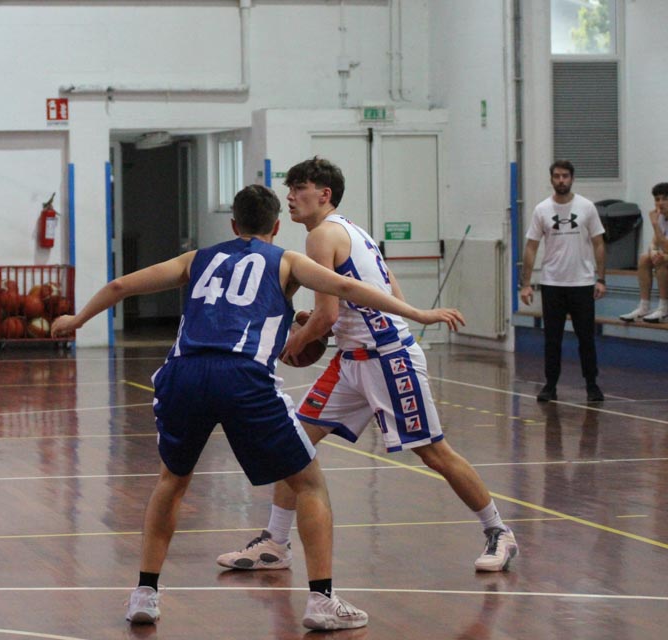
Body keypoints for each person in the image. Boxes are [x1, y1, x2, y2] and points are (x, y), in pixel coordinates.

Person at [51, 184, 464, 631]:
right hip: (242, 377)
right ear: (276, 226)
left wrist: (77, 319)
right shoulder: (286, 261)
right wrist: (418, 314)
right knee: (309, 484)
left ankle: (145, 594)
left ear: (233, 224)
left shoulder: (196, 259)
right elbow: (348, 286)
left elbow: (120, 285)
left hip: (184, 373)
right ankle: (321, 601)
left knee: (172, 481)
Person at [216, 157, 520, 577]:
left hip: (387, 358)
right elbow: (384, 288)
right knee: (293, 444)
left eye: (299, 188)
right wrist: (326, 324)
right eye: (289, 189)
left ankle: (498, 531)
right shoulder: (353, 231)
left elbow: (327, 316)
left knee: (434, 453)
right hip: (351, 360)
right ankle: (275, 543)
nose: (290, 196)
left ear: (324, 194)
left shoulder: (321, 235)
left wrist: (294, 343)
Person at [520, 160, 606, 403]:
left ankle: (591, 384)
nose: (561, 180)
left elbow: (599, 243)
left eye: (565, 176)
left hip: (582, 283)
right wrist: (526, 283)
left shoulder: (587, 207)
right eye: (557, 176)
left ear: (572, 178)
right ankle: (550, 385)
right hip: (552, 283)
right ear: (551, 179)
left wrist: (601, 278)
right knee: (552, 339)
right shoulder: (542, 209)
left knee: (586, 338)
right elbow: (531, 247)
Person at [619, 182, 668, 323]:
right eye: (657, 199)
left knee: (662, 259)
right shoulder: (662, 217)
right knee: (644, 258)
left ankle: (664, 308)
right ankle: (644, 306)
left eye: (665, 199)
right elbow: (654, 243)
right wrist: (653, 251)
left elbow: (666, 248)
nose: (660, 203)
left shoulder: (657, 220)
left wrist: (654, 224)